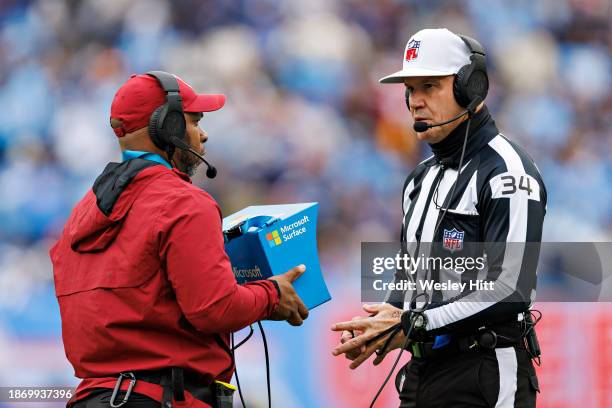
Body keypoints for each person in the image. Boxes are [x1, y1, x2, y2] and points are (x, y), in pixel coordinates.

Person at [50, 71, 309, 408]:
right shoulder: (184, 202)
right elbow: (215, 309)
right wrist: (272, 294)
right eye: (194, 121)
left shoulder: (81, 212)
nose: (203, 134)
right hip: (164, 399)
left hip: (91, 398)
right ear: (168, 127)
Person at [331, 28, 546, 407]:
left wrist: (413, 323)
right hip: (423, 370)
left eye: (430, 86)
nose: (416, 102)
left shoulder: (508, 173)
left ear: (471, 88)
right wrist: (384, 323)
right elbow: (410, 272)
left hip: (485, 370)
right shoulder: (420, 178)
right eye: (410, 90)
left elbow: (510, 288)